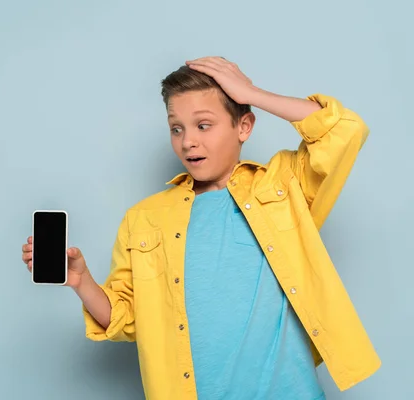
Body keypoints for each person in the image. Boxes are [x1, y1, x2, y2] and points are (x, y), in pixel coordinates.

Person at [21, 56, 381, 400]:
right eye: (176, 128)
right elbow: (127, 318)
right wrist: (81, 282)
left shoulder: (283, 187)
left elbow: (344, 130)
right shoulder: (145, 218)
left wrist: (250, 94)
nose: (188, 141)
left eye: (203, 125)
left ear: (244, 126)